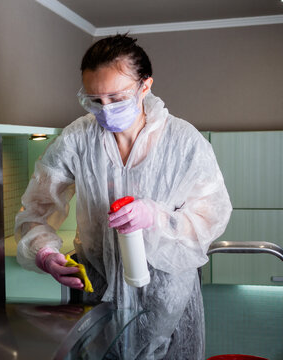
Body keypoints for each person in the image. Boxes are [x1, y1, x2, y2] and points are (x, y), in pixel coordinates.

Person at [14, 34, 232, 359]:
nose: (106, 110)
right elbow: (35, 209)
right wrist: (44, 253)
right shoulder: (78, 139)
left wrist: (157, 218)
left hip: (166, 296)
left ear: (145, 86)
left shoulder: (184, 142)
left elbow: (211, 217)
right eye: (94, 100)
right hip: (99, 293)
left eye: (117, 97)